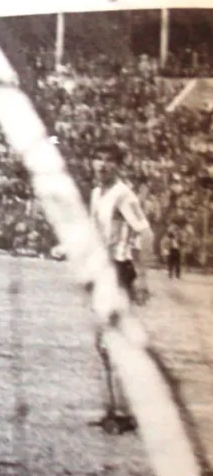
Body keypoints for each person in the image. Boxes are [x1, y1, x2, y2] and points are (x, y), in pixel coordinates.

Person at [88, 147, 152, 433]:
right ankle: (116, 410)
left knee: (114, 341)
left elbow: (146, 233)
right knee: (103, 343)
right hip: (102, 272)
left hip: (119, 270)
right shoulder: (96, 194)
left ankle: (126, 412)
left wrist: (143, 278)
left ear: (116, 166)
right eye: (98, 159)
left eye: (107, 161)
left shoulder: (124, 195)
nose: (101, 165)